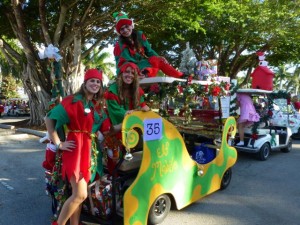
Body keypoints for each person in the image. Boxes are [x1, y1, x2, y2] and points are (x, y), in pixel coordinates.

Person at [45, 69, 111, 225]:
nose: (95, 84)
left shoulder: (97, 106)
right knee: (80, 194)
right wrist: (58, 143)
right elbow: (49, 118)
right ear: (85, 83)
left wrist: (129, 119)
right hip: (75, 151)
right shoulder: (72, 100)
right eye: (92, 81)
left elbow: (108, 129)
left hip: (89, 152)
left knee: (78, 195)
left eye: (98, 82)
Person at [113, 11, 184, 79]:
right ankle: (146, 73)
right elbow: (121, 64)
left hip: (144, 64)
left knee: (158, 60)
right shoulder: (119, 45)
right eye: (122, 29)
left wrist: (159, 57)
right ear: (119, 32)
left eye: (126, 26)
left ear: (131, 26)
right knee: (152, 65)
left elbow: (149, 51)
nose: (125, 30)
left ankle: (180, 76)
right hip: (130, 69)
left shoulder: (140, 36)